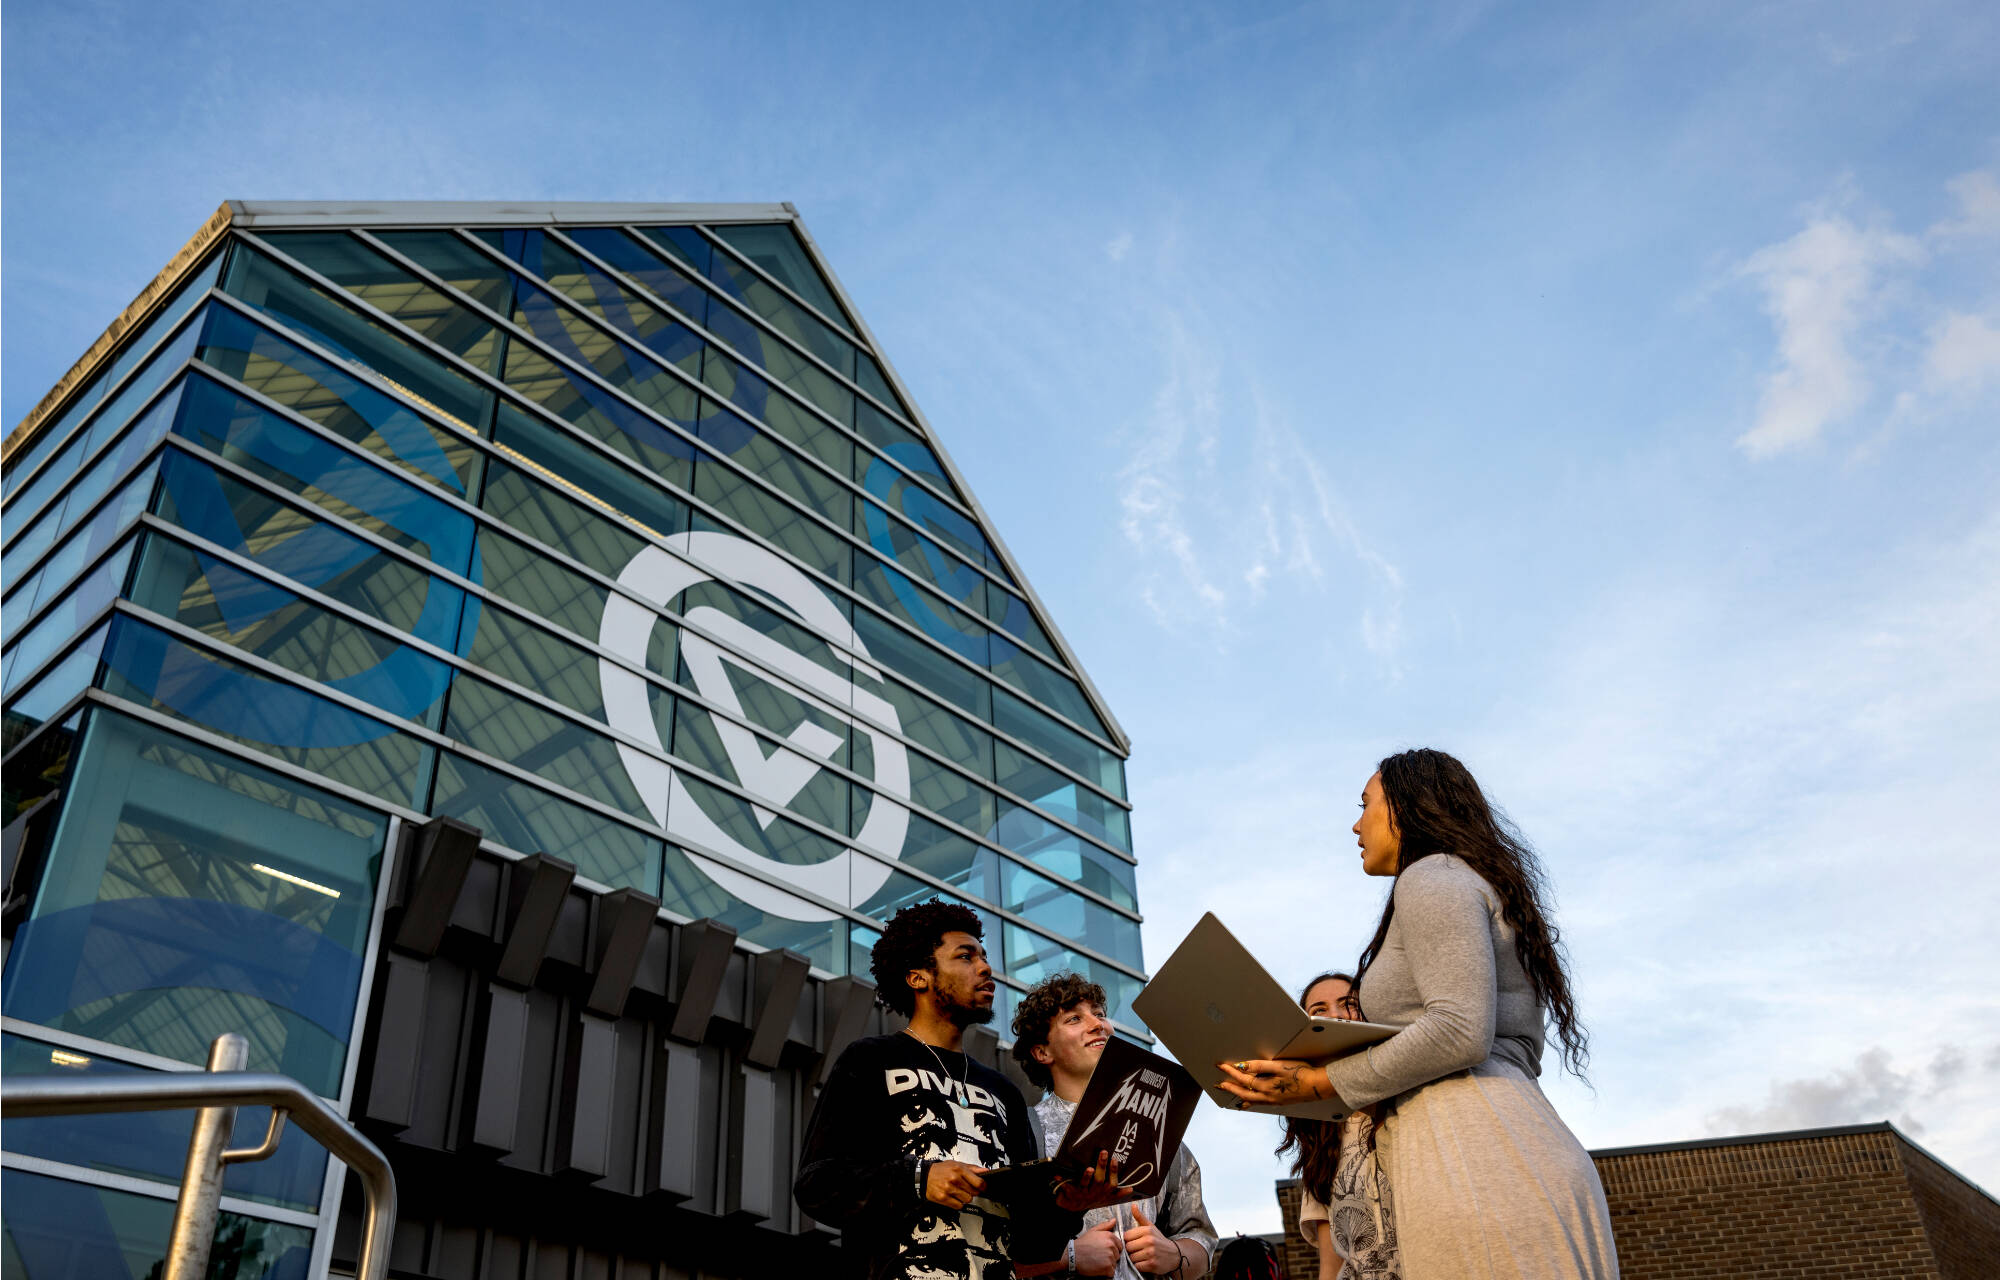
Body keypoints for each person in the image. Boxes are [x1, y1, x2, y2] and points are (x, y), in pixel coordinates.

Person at [1217, 749, 1619, 1278]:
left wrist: (1319, 1081)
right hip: (1495, 1146)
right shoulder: (1465, 880)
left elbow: (1459, 1030)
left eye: (1366, 805)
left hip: (1475, 1154)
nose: (1356, 823)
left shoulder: (1430, 875)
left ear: (1406, 808)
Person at [796, 899, 1127, 1279]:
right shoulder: (870, 1061)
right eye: (965, 957)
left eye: (983, 956)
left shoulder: (1005, 1092)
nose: (985, 967)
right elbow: (817, 1185)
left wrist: (1069, 1208)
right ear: (918, 976)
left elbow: (1031, 1246)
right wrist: (919, 1178)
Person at [1009, 973, 1218, 1278]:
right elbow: (991, 1251)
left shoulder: (1160, 1126)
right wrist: (1071, 1255)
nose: (1098, 1024)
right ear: (1042, 1052)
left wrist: (1172, 1254)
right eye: (1073, 1019)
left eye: (1100, 1015)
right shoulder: (1022, 1131)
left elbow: (1201, 1240)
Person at [1277, 973, 1399, 1280]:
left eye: (1349, 1004)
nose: (1336, 1016)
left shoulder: (1409, 1107)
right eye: (1319, 1011)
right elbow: (1331, 1265)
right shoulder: (1319, 1142)